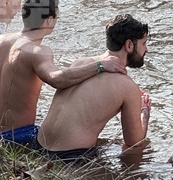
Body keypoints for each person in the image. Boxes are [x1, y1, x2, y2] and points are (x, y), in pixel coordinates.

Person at [0, 0, 126, 145]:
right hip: (18, 137)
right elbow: (57, 79)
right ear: (50, 20)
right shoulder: (37, 51)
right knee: (100, 146)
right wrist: (101, 65)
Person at [36, 14, 153, 160]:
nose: (146, 49)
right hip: (69, 157)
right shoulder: (128, 87)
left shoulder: (81, 63)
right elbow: (134, 143)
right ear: (129, 45)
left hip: (38, 147)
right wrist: (144, 112)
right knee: (139, 154)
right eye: (143, 43)